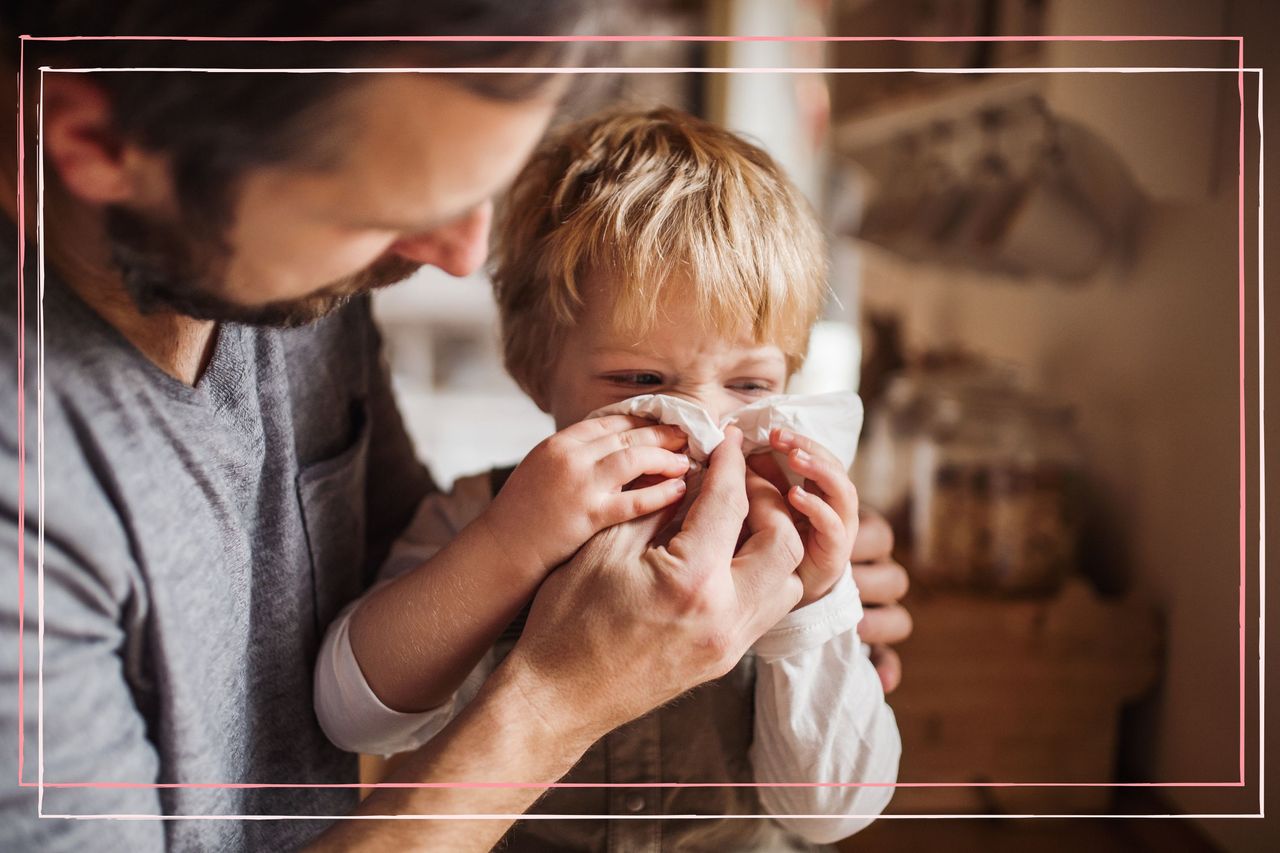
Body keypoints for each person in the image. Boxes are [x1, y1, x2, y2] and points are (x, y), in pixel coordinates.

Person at [0, 3, 913, 851]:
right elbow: (361, 695)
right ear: (97, 143)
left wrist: (820, 606)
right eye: (384, 208)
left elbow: (831, 797)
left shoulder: (292, 280)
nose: (463, 258)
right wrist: (560, 688)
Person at [314, 106, 901, 852]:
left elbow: (829, 810)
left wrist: (815, 607)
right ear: (536, 371)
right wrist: (509, 545)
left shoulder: (785, 546)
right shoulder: (482, 514)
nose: (706, 426)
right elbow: (352, 716)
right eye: (642, 380)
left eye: (749, 386)